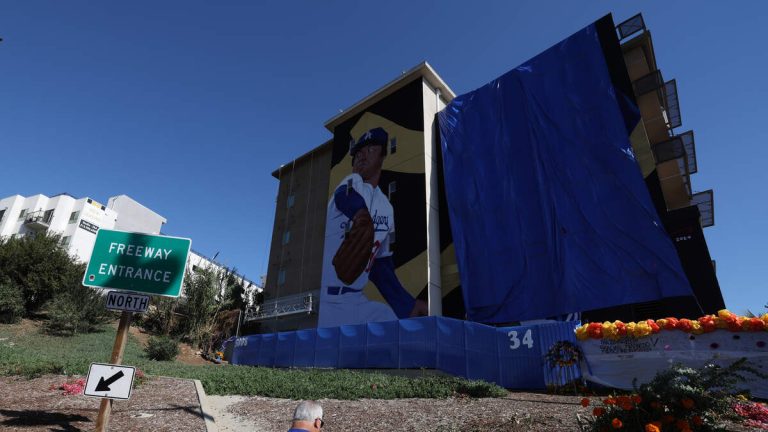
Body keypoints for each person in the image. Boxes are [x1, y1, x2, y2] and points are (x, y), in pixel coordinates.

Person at [318, 127, 428, 328]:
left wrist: (407, 304)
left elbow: (380, 266)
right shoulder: (352, 182)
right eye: (358, 153)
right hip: (328, 303)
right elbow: (345, 196)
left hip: (356, 299)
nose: (361, 156)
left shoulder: (386, 207)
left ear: (382, 155)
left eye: (370, 150)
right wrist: (361, 216)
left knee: (393, 325)